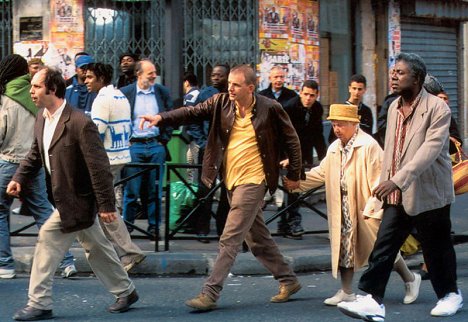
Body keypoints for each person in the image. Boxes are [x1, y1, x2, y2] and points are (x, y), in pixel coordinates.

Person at [140, 64, 302, 311]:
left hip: (255, 179)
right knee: (256, 237)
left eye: (236, 85)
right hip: (231, 179)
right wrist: (161, 118)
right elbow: (191, 112)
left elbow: (292, 140)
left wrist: (294, 174)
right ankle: (288, 280)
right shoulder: (220, 102)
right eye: (229, 85)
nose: (230, 89)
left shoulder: (270, 108)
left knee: (230, 236)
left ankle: (210, 293)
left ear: (250, 87)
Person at [338, 53, 462, 321]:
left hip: (430, 192)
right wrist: (385, 183)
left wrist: (397, 179)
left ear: (416, 78)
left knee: (436, 247)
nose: (393, 76)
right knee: (384, 245)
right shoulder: (394, 107)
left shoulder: (438, 109)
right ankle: (372, 300)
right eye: (393, 72)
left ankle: (450, 295)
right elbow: (391, 151)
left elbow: (428, 151)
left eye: (400, 73)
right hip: (397, 192)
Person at [8, 67, 138, 321]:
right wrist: (18, 178)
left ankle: (40, 302)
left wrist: (106, 205)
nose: (31, 91)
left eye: (35, 86)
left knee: (47, 240)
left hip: (78, 200)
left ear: (52, 89)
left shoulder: (80, 122)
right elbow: (36, 154)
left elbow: (99, 168)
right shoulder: (43, 118)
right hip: (63, 197)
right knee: (96, 247)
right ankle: (126, 291)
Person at [284, 103, 419, 307]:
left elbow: (380, 179)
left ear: (354, 124)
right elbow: (322, 173)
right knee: (344, 248)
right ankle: (346, 291)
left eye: (340, 125)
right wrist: (296, 182)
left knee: (380, 249)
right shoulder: (335, 148)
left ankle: (410, 279)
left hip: (365, 207)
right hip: (343, 205)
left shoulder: (368, 145)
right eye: (334, 125)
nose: (336, 129)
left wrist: (374, 207)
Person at [0, 54, 76, 280]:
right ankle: (67, 261)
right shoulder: (38, 95)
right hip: (35, 162)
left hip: (8, 161)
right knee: (44, 211)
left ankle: (5, 264)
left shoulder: (4, 97)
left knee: (0, 212)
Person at [85, 62, 146, 272]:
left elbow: (97, 133)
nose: (86, 81)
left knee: (104, 208)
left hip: (105, 159)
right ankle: (111, 252)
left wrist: (88, 157)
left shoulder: (101, 100)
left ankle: (128, 252)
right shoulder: (120, 96)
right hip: (119, 155)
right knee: (101, 205)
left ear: (101, 79)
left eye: (90, 77)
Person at [120, 59, 173, 239]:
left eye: (155, 72)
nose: (154, 76)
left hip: (155, 145)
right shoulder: (126, 93)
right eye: (150, 73)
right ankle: (127, 228)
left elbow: (170, 117)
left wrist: (163, 140)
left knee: (155, 191)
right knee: (131, 190)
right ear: (139, 74)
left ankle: (153, 228)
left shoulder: (162, 92)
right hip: (134, 146)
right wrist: (125, 141)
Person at [281, 80, 326, 239]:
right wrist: (287, 156)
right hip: (286, 153)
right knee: (289, 187)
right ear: (300, 92)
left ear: (316, 96)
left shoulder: (317, 108)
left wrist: (323, 157)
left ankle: (287, 222)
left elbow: (318, 134)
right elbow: (282, 134)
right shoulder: (289, 107)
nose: (308, 98)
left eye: (312, 96)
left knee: (293, 188)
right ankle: (292, 222)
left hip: (304, 152)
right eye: (305, 94)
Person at [193, 64, 230, 240]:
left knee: (227, 190)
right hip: (209, 149)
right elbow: (194, 121)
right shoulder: (204, 95)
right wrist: (202, 143)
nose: (215, 78)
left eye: (219, 75)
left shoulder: (233, 94)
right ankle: (202, 228)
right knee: (205, 189)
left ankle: (223, 228)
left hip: (229, 150)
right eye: (213, 75)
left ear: (227, 77)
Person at [259, 65, 298, 213]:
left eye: (281, 77)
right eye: (276, 77)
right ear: (270, 78)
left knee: (287, 179)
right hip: (267, 143)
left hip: (285, 143)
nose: (279, 80)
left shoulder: (292, 96)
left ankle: (285, 212)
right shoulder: (262, 96)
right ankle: (262, 203)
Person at [329, 74, 373, 143]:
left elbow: (369, 134)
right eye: (354, 88)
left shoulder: (367, 111)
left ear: (364, 90)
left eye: (360, 89)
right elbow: (333, 137)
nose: (356, 92)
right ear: (349, 88)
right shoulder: (342, 109)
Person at [182, 71, 202, 183]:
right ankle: (192, 191)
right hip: (195, 137)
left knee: (195, 166)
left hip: (194, 138)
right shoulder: (199, 93)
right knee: (190, 165)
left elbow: (188, 116)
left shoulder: (189, 96)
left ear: (186, 83)